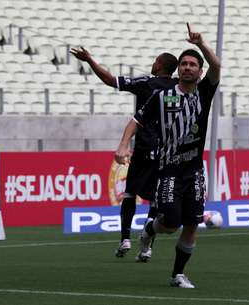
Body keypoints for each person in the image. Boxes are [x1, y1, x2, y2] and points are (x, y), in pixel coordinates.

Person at [114, 23, 220, 288]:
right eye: (183, 64)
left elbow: (217, 66)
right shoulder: (162, 97)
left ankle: (177, 275)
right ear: (179, 69)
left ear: (199, 70)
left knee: (193, 223)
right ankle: (149, 232)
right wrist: (123, 145)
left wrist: (201, 44)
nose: (187, 67)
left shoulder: (204, 93)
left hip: (194, 170)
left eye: (192, 64)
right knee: (171, 223)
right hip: (169, 169)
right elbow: (135, 121)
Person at [70, 47, 178, 259]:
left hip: (145, 148)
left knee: (130, 192)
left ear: (160, 65)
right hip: (167, 151)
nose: (153, 64)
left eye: (156, 61)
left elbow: (111, 80)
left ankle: (125, 239)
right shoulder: (178, 88)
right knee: (156, 200)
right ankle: (147, 248)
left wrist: (90, 60)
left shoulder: (146, 83)